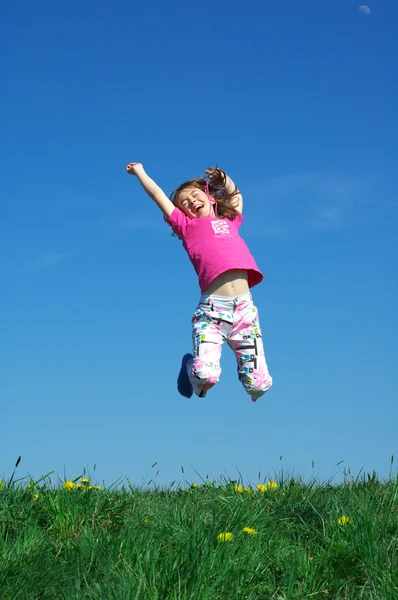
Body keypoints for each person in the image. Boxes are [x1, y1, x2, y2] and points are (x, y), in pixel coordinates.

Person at [126, 162, 272, 402]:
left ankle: (249, 383)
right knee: (205, 376)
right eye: (184, 203)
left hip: (245, 312)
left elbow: (235, 195)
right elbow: (157, 195)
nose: (191, 202)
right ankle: (190, 368)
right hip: (212, 311)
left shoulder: (231, 221)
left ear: (210, 197)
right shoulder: (187, 226)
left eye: (195, 195)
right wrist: (140, 172)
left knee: (258, 386)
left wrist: (223, 179)